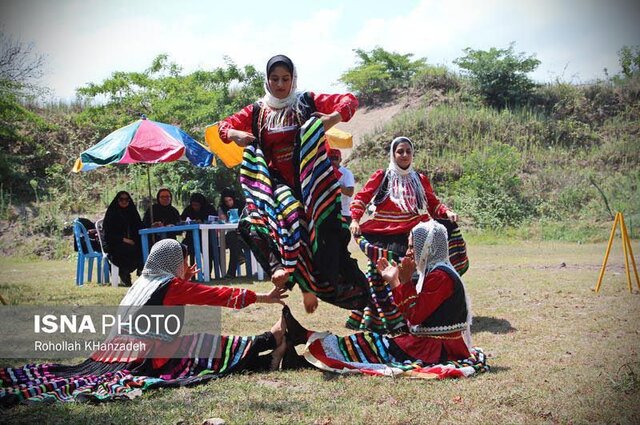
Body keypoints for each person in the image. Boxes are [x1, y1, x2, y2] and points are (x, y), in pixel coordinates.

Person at [0, 239, 290, 406]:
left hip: (112, 353)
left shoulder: (143, 282)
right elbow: (218, 295)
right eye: (183, 262)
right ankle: (271, 339)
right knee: (204, 343)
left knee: (196, 353)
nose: (185, 267)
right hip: (144, 357)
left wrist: (184, 280)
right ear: (174, 262)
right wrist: (266, 296)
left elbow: (170, 300)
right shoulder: (170, 286)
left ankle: (266, 361)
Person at [218, 54, 368, 313]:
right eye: (274, 79)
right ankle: (283, 271)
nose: (279, 84)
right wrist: (234, 134)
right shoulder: (257, 111)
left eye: (285, 79)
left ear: (293, 79)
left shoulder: (306, 101)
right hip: (275, 185)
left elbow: (350, 100)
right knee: (260, 221)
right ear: (267, 80)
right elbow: (223, 126)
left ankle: (337, 292)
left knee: (327, 237)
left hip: (313, 181)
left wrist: (333, 118)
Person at [286, 221, 488, 379]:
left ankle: (304, 342)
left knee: (368, 344)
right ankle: (303, 339)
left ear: (427, 248)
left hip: (434, 350)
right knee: (369, 342)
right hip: (431, 344)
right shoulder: (438, 272)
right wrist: (397, 281)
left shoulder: (440, 276)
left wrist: (400, 282)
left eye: (413, 246)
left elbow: (415, 317)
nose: (409, 252)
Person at [347, 136, 468, 332]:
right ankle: (380, 321)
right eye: (400, 151)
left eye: (408, 151)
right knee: (380, 276)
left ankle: (409, 315)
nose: (404, 155)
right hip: (383, 235)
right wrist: (354, 219)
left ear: (413, 154)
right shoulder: (382, 176)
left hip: (411, 235)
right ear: (393, 154)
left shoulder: (419, 179)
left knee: (410, 275)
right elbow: (361, 198)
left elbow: (433, 204)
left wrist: (447, 213)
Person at [102, 191, 144, 286]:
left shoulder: (132, 211)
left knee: (144, 247)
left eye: (126, 199)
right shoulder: (112, 213)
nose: (124, 202)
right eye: (121, 199)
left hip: (132, 242)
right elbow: (108, 234)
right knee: (128, 249)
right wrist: (124, 239)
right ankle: (123, 272)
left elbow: (139, 226)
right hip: (114, 243)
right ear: (117, 200)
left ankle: (141, 271)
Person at [217, 187, 249, 279]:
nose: (228, 203)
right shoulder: (222, 208)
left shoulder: (242, 205)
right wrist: (222, 216)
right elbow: (223, 222)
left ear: (233, 198)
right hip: (231, 235)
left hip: (245, 235)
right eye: (226, 201)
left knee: (233, 241)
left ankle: (231, 273)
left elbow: (248, 219)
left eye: (230, 200)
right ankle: (240, 255)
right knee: (232, 239)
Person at [181, 192, 216, 263]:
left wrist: (203, 221)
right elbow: (182, 219)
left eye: (197, 205)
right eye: (193, 205)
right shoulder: (188, 209)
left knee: (209, 253)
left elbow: (215, 219)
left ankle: (207, 273)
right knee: (182, 250)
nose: (195, 207)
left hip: (207, 237)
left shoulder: (209, 208)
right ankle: (189, 272)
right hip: (190, 238)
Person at [328, 148, 355, 225]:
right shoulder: (326, 173)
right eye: (330, 158)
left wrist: (336, 184)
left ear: (340, 159)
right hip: (329, 213)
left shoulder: (346, 173)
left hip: (343, 213)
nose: (333, 161)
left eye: (335, 158)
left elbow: (350, 192)